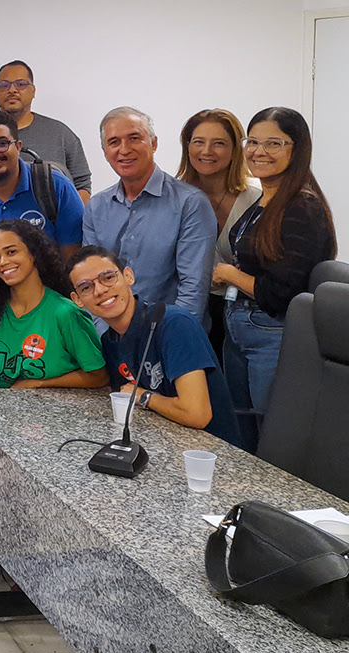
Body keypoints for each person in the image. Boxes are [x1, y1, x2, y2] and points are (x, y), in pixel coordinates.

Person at [213, 107, 337, 452]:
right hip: (239, 328)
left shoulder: (301, 207)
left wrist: (229, 274)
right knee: (242, 430)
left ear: (296, 150)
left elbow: (284, 292)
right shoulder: (264, 197)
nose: (258, 152)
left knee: (272, 432)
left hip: (271, 331)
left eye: (273, 143)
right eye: (252, 142)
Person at [69, 245, 241, 445]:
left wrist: (144, 396)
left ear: (128, 277)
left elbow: (196, 414)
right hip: (160, 442)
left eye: (108, 277)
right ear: (77, 300)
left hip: (211, 453)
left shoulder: (174, 324)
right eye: (86, 287)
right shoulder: (110, 341)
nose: (99, 290)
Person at [82, 107, 215, 319]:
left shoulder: (190, 203)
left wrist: (163, 341)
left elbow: (193, 290)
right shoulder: (96, 206)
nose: (124, 150)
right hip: (109, 336)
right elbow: (89, 281)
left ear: (153, 143)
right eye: (114, 142)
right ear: (105, 151)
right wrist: (102, 337)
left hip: (168, 336)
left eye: (134, 138)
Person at [0, 219, 108, 389]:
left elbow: (99, 376)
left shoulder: (65, 313)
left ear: (33, 253)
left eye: (11, 252)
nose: (3, 262)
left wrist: (39, 384)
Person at [0, 110, 84, 281]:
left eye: (2, 143)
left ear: (19, 146)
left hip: (51, 297)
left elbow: (72, 259)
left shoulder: (55, 185)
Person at [176, 109, 263, 356]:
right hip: (190, 310)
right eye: (198, 142)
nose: (206, 151)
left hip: (246, 314)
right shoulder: (173, 197)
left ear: (236, 149)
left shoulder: (258, 197)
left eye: (219, 144)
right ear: (187, 146)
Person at [0, 60, 91, 201]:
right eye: (4, 85)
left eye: (21, 84)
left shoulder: (61, 134)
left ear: (33, 91)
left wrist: (69, 217)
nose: (12, 90)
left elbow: (82, 184)